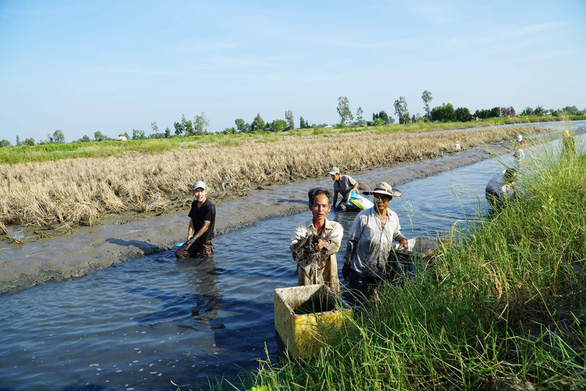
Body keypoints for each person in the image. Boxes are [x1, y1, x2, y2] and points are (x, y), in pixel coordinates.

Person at [342, 182, 409, 300]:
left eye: (383, 198)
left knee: (379, 301)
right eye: (376, 197)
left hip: (381, 269)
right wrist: (347, 263)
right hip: (361, 269)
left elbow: (395, 233)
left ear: (390, 200)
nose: (379, 201)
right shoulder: (363, 217)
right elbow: (352, 241)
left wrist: (402, 239)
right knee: (358, 301)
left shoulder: (394, 217)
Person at [290, 188, 343, 295]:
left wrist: (323, 244)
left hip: (329, 276)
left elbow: (334, 246)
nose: (320, 210)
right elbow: (293, 247)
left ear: (329, 208)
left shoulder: (335, 227)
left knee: (332, 303)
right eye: (316, 205)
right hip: (306, 279)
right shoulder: (302, 226)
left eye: (324, 206)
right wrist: (309, 245)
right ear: (310, 206)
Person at [175, 180, 216, 259]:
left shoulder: (209, 207)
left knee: (206, 263)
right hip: (196, 238)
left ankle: (204, 252)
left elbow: (205, 227)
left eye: (202, 191)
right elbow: (192, 220)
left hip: (206, 240)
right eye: (197, 191)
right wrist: (190, 234)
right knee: (179, 254)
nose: (199, 194)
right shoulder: (194, 204)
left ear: (205, 192)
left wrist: (193, 239)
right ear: (193, 192)